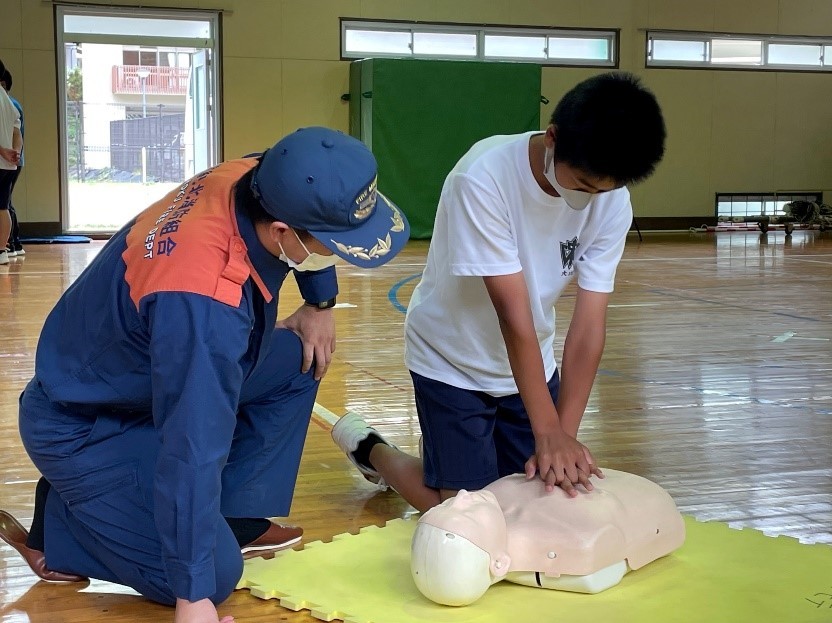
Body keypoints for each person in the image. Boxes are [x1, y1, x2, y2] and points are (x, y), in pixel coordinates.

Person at [0, 127, 409, 623]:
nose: (338, 252)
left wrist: (320, 302)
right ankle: (61, 525)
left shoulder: (259, 174)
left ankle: (232, 519)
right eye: (333, 244)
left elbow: (297, 192)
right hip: (83, 422)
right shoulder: (202, 304)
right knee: (210, 577)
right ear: (282, 231)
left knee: (302, 356)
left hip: (140, 380)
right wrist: (192, 600)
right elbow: (192, 443)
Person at [333, 72, 666, 511]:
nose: (588, 201)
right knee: (467, 514)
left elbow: (589, 326)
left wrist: (563, 435)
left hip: (531, 365)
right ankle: (372, 449)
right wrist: (546, 433)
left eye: (605, 191)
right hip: (452, 361)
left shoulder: (610, 199)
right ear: (552, 138)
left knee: (538, 502)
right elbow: (514, 316)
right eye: (583, 187)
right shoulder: (484, 178)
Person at [411, 469, 686, 606]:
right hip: (642, 500)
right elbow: (594, 572)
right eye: (468, 514)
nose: (461, 496)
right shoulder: (570, 539)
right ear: (499, 564)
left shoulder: (493, 497)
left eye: (445, 507)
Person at [0, 58, 22, 265]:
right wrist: (14, 152)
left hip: (2, 159)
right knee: (3, 207)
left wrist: (3, 151)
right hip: (8, 164)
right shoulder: (8, 101)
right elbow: (17, 132)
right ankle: (2, 251)